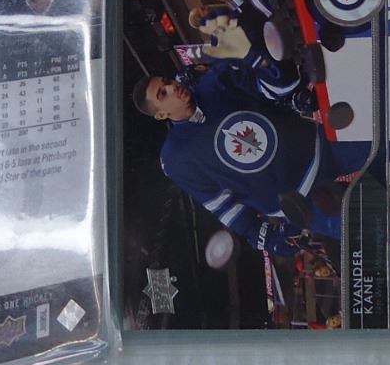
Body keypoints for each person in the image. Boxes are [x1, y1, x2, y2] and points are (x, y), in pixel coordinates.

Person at [134, 61, 368, 257]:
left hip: (324, 147)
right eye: (163, 94)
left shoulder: (216, 83)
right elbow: (220, 202)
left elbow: (272, 89)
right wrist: (258, 234)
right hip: (303, 202)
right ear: (161, 114)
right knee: (376, 226)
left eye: (167, 81)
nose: (172, 87)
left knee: (387, 140)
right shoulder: (176, 158)